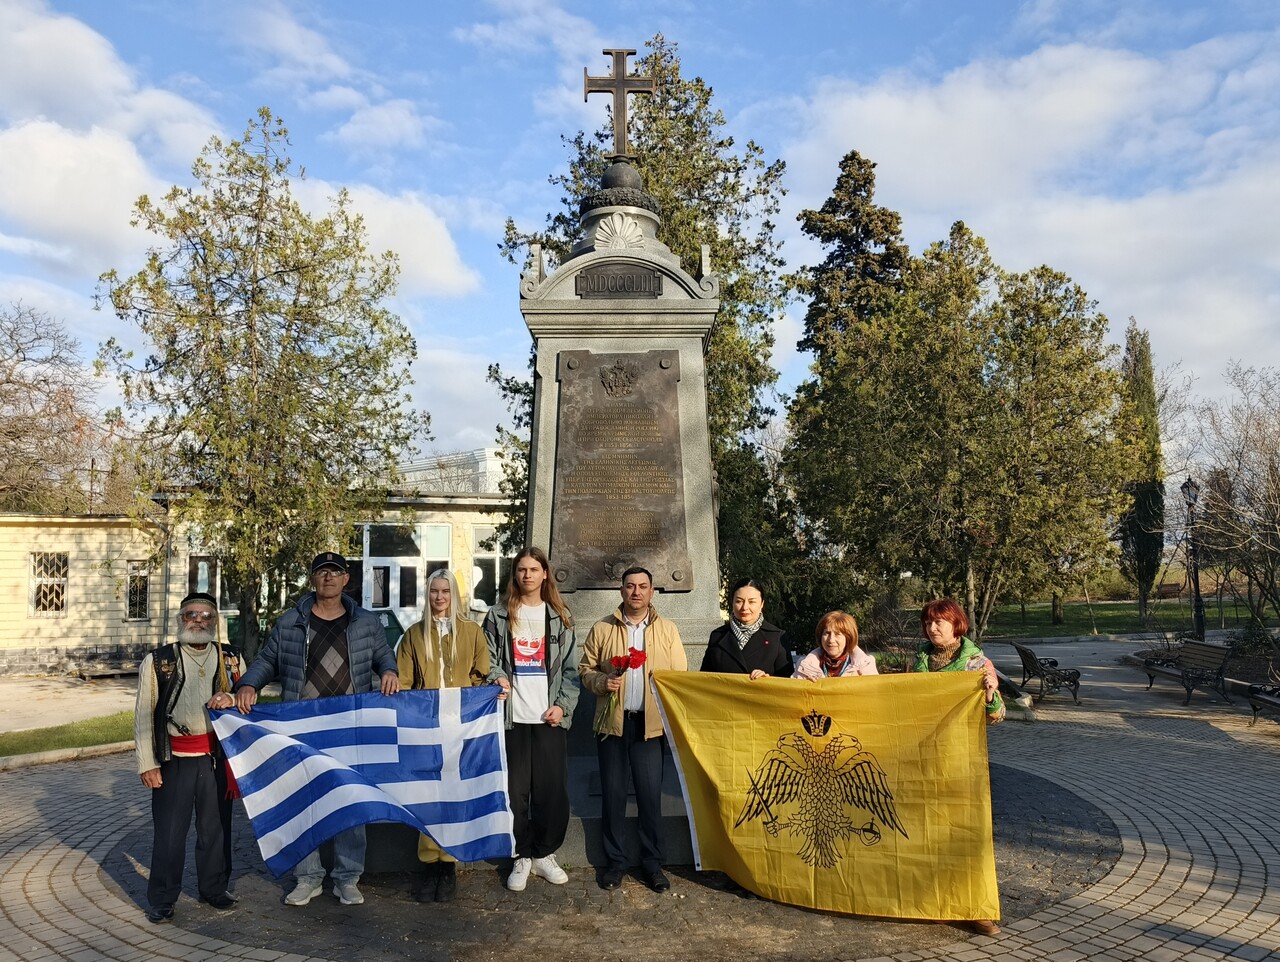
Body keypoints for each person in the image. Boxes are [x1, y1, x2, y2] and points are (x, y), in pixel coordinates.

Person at [234, 551, 400, 907]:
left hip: (349, 725)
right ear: (313, 579)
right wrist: (249, 684)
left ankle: (347, 878)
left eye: (335, 572)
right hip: (301, 726)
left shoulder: (366, 623)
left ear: (346, 580)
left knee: (350, 801)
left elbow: (384, 655)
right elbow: (267, 660)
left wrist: (389, 671)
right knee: (304, 802)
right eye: (321, 572)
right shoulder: (291, 622)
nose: (328, 578)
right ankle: (308, 877)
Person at [134, 591, 243, 924]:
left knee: (216, 830)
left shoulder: (232, 660)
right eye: (191, 614)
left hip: (215, 759)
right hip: (174, 760)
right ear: (180, 620)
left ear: (216, 622)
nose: (198, 620)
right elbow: (142, 715)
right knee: (169, 833)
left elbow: (247, 704)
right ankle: (163, 898)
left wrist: (234, 698)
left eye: (206, 615)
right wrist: (147, 763)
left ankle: (214, 889)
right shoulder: (158, 661)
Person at [579, 566, 688, 892]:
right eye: (630, 586)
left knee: (649, 798)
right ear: (622, 591)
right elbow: (585, 669)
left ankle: (653, 864)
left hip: (649, 728)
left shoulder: (667, 630)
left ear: (652, 591)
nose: (636, 592)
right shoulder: (602, 628)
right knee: (612, 797)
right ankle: (615, 864)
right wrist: (601, 681)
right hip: (613, 725)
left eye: (643, 586)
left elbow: (679, 674)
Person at [483, 546, 579, 893]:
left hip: (548, 717)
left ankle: (544, 854)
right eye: (521, 570)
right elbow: (487, 657)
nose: (527, 575)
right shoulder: (497, 615)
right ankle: (522, 854)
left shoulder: (560, 616)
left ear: (544, 574)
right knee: (515, 791)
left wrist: (563, 707)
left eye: (534, 569)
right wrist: (497, 677)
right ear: (516, 575)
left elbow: (571, 670)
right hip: (512, 719)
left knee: (552, 792)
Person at [911, 597, 1004, 937]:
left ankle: (976, 908)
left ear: (956, 625)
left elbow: (995, 715)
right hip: (924, 760)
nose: (932, 628)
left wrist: (990, 692)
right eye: (928, 622)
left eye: (939, 622)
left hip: (961, 763)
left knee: (966, 835)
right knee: (927, 833)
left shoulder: (975, 663)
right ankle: (934, 902)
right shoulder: (919, 660)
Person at [396, 567, 489, 903]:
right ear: (428, 595)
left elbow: (482, 678)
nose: (439, 597)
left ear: (454, 595)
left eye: (445, 591)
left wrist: (494, 693)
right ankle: (428, 865)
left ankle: (448, 865)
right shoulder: (413, 635)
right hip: (426, 728)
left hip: (461, 727)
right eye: (434, 591)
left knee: (454, 796)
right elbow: (405, 684)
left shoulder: (472, 632)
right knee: (427, 797)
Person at [701, 577, 791, 679]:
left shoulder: (777, 637)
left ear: (762, 604)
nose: (745, 607)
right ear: (732, 602)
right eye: (739, 601)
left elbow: (787, 683)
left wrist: (768, 679)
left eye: (752, 602)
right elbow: (705, 680)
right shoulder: (717, 636)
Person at [793, 610, 878, 680]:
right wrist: (806, 684)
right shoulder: (804, 666)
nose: (831, 640)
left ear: (848, 637)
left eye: (837, 634)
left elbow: (874, 695)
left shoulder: (865, 665)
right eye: (827, 633)